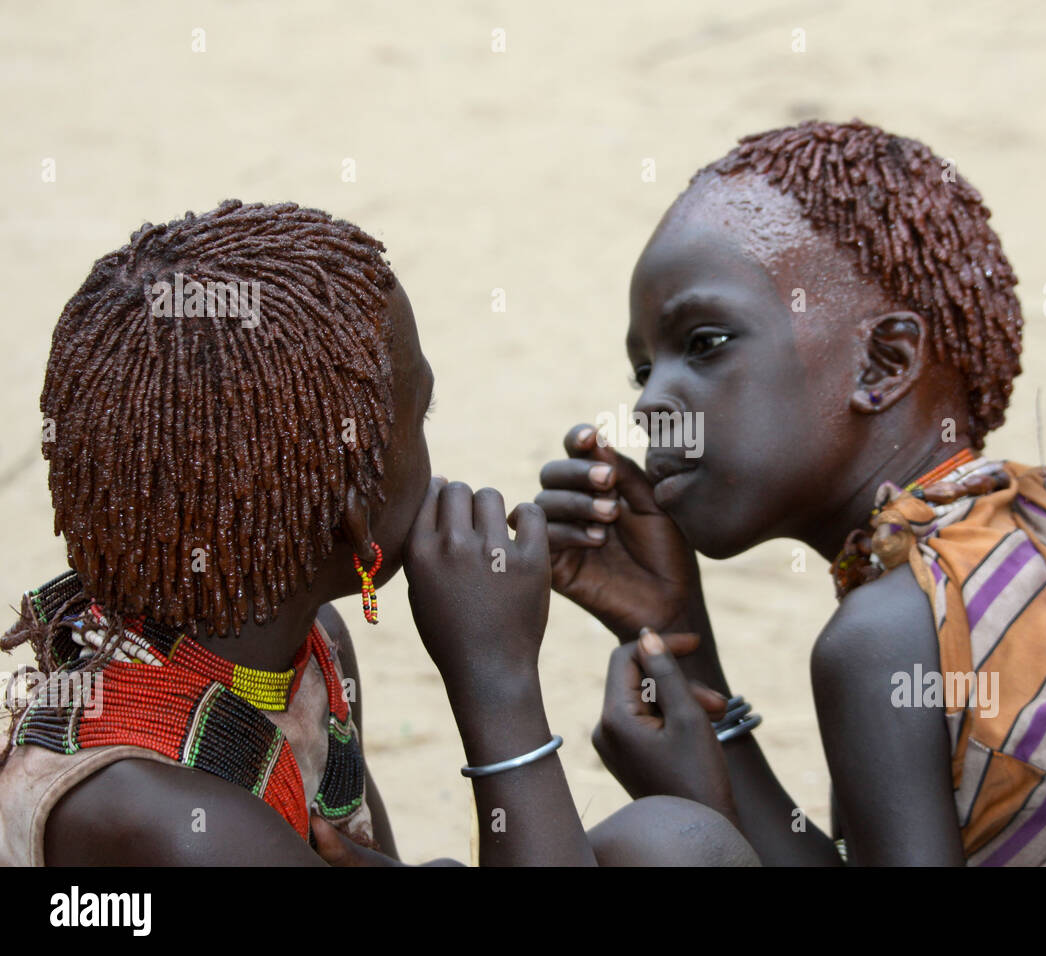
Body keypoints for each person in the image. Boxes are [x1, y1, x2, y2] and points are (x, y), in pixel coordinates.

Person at [536, 120, 1046, 865]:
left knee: (651, 851)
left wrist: (695, 800)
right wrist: (677, 633)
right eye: (644, 371)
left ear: (885, 363)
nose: (650, 406)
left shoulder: (887, 636)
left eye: (705, 344)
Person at [0, 200, 755, 867]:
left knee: (676, 846)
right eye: (417, 420)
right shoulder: (174, 828)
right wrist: (496, 683)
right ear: (356, 519)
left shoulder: (306, 640)